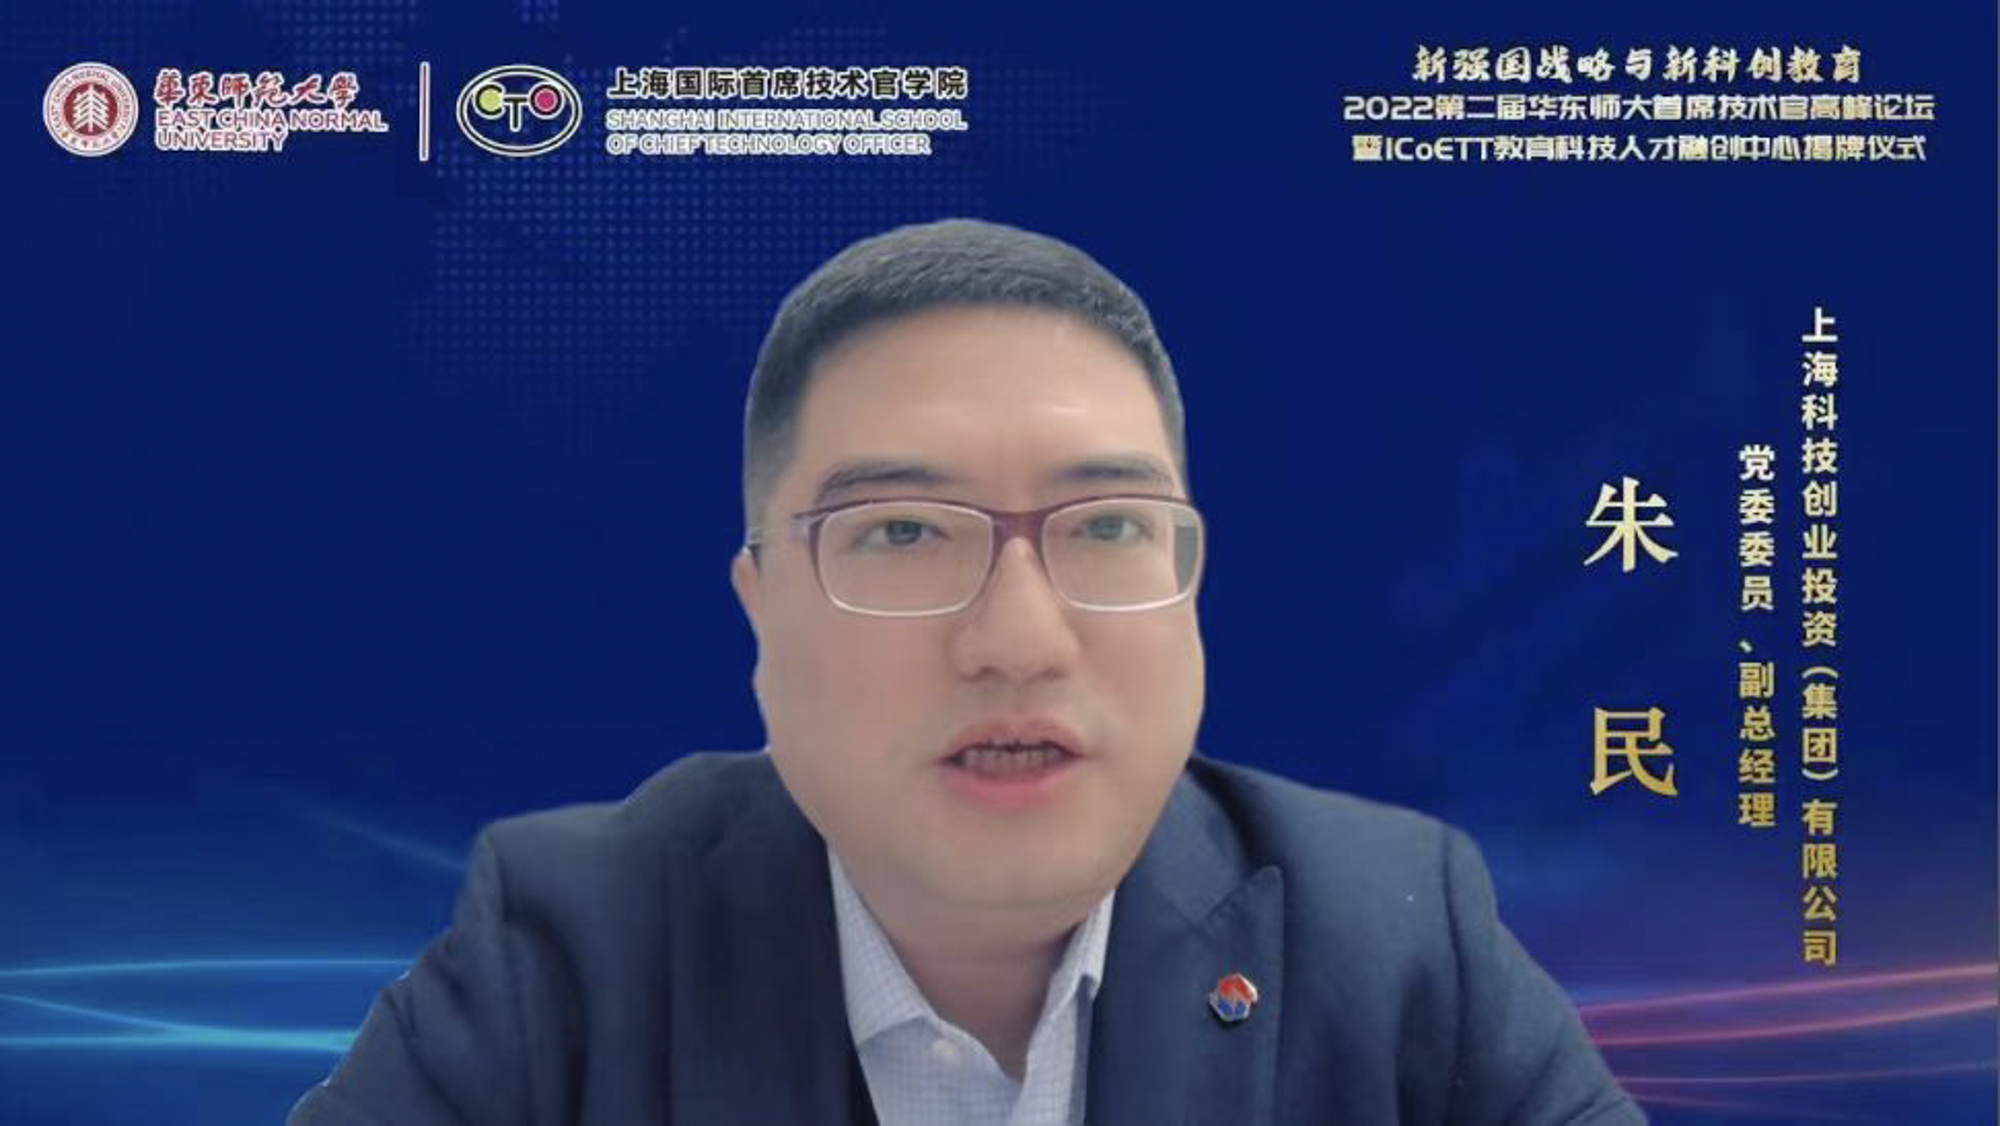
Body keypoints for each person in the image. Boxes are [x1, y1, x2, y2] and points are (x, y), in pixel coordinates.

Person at [290, 219, 1645, 1125]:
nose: (1020, 638)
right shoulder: (568, 955)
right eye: (901, 533)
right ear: (761, 613)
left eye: (1107, 527)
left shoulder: (1399, 941)